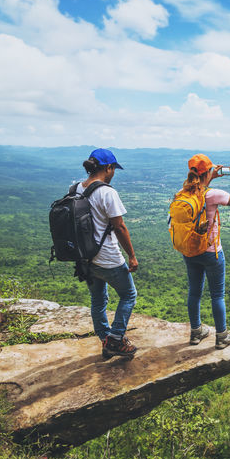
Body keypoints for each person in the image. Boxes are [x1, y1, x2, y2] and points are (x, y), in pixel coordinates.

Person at [77, 148, 139, 359]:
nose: (114, 174)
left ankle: (106, 339)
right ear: (108, 168)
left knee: (98, 300)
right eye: (114, 169)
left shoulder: (76, 187)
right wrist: (131, 255)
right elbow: (119, 227)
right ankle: (115, 339)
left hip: (85, 259)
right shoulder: (107, 192)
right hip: (109, 259)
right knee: (129, 295)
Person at [181, 154, 230, 349]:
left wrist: (209, 176)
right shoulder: (212, 194)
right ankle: (222, 335)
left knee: (194, 292)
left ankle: (196, 332)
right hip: (211, 251)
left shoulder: (184, 193)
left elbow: (198, 185)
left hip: (190, 250)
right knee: (217, 294)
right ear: (207, 172)